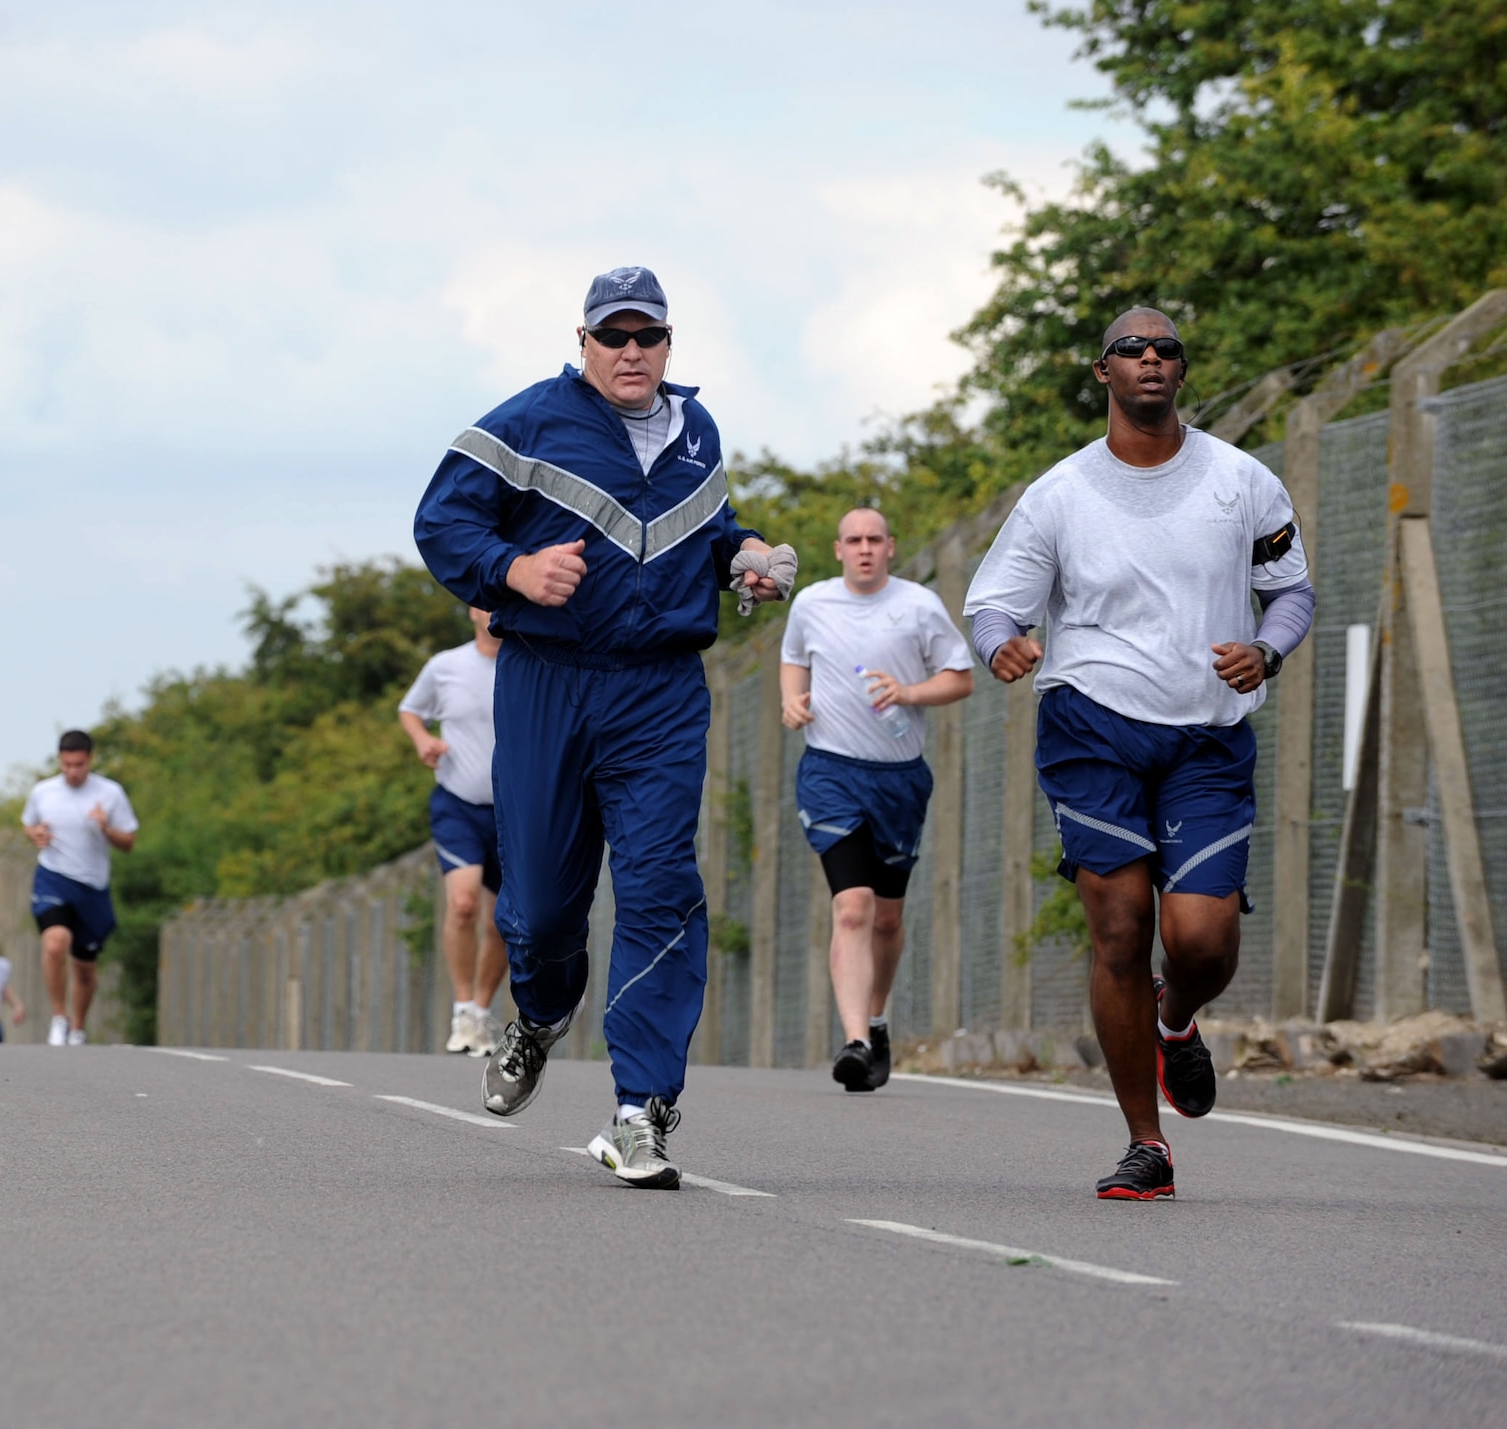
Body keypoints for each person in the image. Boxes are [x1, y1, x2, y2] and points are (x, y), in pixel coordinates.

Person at [415, 265, 793, 1188]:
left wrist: (746, 556)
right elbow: (439, 523)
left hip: (659, 691)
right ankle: (538, 1016)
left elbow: (709, 531)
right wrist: (513, 570)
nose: (632, 352)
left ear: (669, 343)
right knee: (541, 912)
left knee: (661, 883)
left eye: (648, 336)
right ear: (582, 341)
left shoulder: (693, 429)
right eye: (613, 337)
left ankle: (641, 1110)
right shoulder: (525, 422)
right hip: (547, 682)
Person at [965, 307, 1315, 1201]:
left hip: (1206, 732)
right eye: (1133, 349)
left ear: (1182, 374)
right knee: (1120, 927)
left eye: (1167, 351)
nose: (1151, 360)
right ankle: (1146, 1145)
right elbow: (995, 605)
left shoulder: (1242, 481)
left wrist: (1267, 650)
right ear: (1103, 373)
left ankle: (1177, 1017)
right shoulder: (1059, 493)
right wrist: (1003, 642)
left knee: (1200, 938)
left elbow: (1290, 593)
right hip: (1091, 724)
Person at [781, 508, 974, 1091]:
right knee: (853, 907)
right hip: (830, 772)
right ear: (838, 550)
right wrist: (793, 701)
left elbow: (961, 676)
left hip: (899, 780)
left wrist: (909, 691)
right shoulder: (811, 603)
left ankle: (878, 1016)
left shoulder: (918, 605)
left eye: (874, 540)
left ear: (890, 547)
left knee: (887, 916)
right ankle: (857, 1041)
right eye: (853, 540)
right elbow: (793, 659)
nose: (864, 549)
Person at [398, 606, 509, 1057]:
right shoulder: (446, 666)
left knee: (500, 921)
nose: (492, 609)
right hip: (458, 806)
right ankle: (462, 1007)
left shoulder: (530, 663)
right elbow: (410, 710)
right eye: (484, 601)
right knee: (462, 905)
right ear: (470, 610)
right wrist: (424, 741)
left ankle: (481, 1015)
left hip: (514, 812)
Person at [22, 730, 138, 1046]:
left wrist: (105, 828)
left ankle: (78, 1027)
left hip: (92, 887)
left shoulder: (110, 794)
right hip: (53, 876)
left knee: (85, 969)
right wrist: (35, 836)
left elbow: (128, 842)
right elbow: (28, 825)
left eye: (80, 765)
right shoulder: (43, 792)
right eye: (67, 764)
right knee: (55, 943)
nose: (73, 771)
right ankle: (59, 1018)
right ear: (59, 761)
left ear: (91, 760)